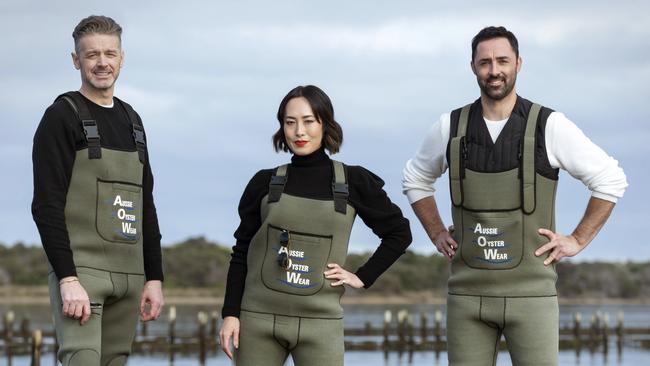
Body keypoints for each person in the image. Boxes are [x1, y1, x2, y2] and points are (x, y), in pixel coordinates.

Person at [402, 26, 627, 366]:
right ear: (473, 67)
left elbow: (610, 179)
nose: (494, 71)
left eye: (503, 61)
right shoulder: (449, 127)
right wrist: (435, 231)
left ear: (519, 63)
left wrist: (577, 239)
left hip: (532, 297)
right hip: (466, 298)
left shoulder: (549, 126)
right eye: (485, 62)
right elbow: (415, 178)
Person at [219, 85, 412, 366]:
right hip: (257, 321)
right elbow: (241, 253)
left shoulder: (353, 182)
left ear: (325, 124)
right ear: (281, 127)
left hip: (321, 324)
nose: (299, 131)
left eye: (309, 121)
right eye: (290, 122)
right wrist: (230, 314)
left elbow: (399, 233)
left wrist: (362, 276)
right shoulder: (264, 183)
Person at [31, 15, 164, 366]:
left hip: (131, 275)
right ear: (76, 60)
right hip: (82, 273)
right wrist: (67, 278)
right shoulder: (61, 116)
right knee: (82, 360)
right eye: (91, 55)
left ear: (122, 58)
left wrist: (155, 278)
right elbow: (45, 205)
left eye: (109, 53)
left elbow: (144, 204)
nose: (101, 63)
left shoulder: (133, 121)